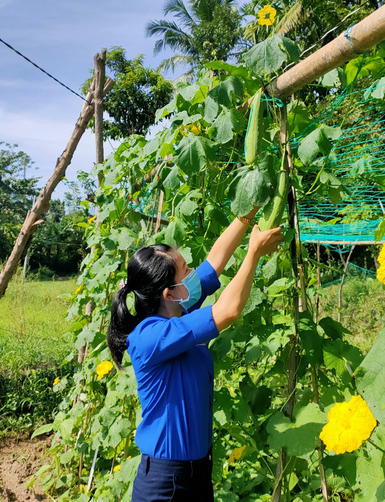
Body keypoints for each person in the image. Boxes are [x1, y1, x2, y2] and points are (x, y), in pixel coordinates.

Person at [107, 211, 283, 501]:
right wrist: (253, 253)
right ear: (169, 293)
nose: (193, 274)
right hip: (166, 482)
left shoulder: (179, 308)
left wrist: (246, 215)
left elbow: (215, 261)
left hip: (198, 472)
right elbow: (228, 311)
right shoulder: (150, 336)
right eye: (186, 270)